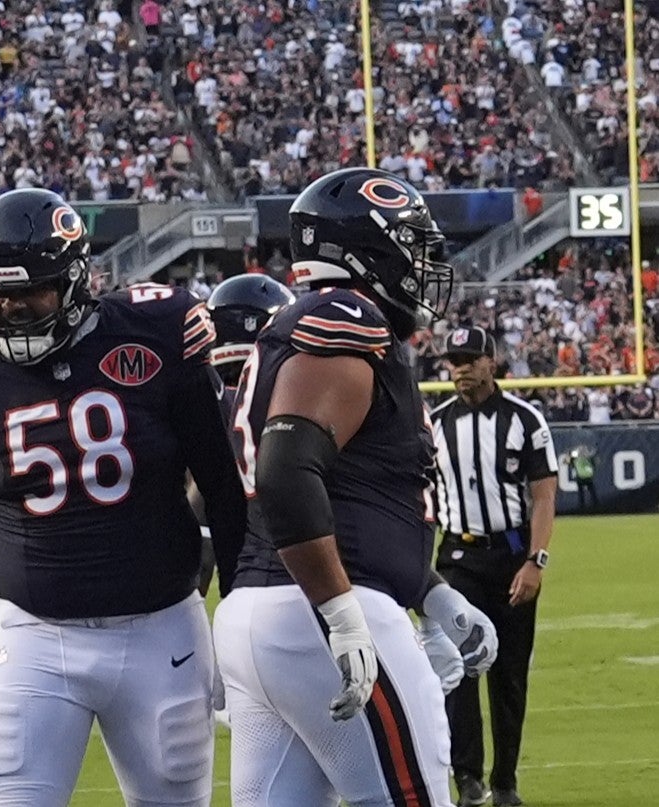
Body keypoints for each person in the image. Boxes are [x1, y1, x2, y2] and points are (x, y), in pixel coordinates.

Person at [0, 188, 246, 807]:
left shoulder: (156, 331)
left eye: (31, 291)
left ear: (75, 281)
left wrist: (235, 616)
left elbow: (223, 486)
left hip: (161, 631)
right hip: (32, 634)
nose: (11, 307)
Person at [214, 167, 499, 807]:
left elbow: (360, 499)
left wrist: (432, 595)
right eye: (411, 247)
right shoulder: (343, 316)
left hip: (266, 609)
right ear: (367, 253)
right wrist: (342, 616)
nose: (423, 266)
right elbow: (286, 471)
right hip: (323, 608)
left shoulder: (313, 324)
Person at [431, 325, 558, 807]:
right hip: (456, 557)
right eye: (453, 361)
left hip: (510, 555)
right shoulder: (435, 424)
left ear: (491, 361)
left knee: (509, 674)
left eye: (469, 359)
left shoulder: (524, 419)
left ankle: (505, 780)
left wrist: (536, 561)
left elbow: (544, 496)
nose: (460, 369)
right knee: (458, 669)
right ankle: (468, 779)